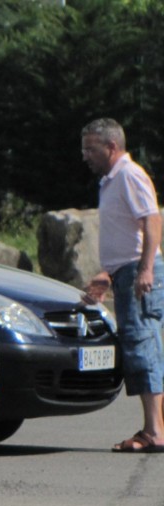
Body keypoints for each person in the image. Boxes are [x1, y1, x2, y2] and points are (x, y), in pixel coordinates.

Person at [81, 117, 164, 452]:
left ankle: (154, 432)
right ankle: (156, 427)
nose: (85, 155)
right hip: (126, 271)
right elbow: (128, 231)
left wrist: (145, 270)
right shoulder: (110, 180)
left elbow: (152, 219)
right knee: (146, 345)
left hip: (138, 273)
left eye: (90, 148)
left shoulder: (129, 175)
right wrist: (107, 274)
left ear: (111, 147)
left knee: (142, 346)